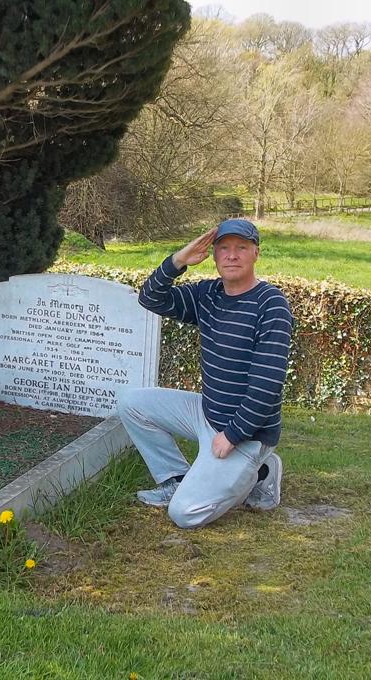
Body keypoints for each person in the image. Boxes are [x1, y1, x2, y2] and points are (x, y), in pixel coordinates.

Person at [117, 218, 293, 529]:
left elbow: (267, 385)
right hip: (207, 411)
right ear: (213, 255)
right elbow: (151, 298)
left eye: (241, 248)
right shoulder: (208, 294)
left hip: (246, 433)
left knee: (185, 514)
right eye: (223, 248)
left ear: (256, 253)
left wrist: (233, 435)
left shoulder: (271, 304)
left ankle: (260, 474)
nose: (232, 255)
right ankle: (176, 479)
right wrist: (178, 260)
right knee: (131, 402)